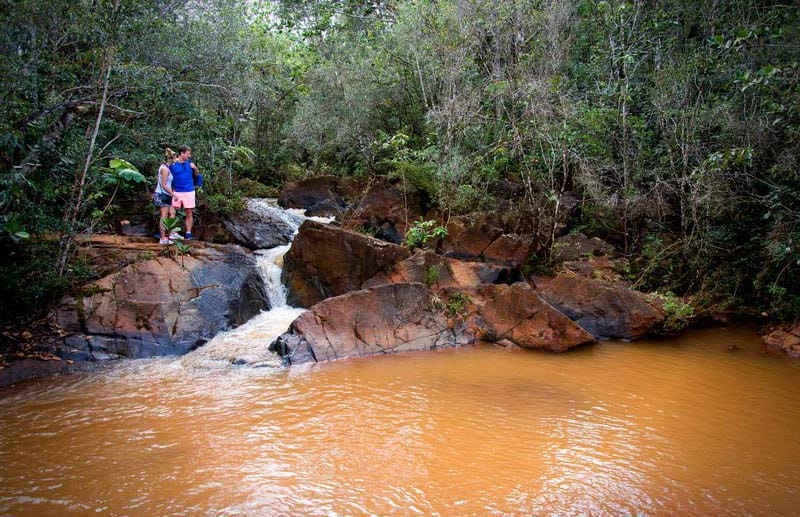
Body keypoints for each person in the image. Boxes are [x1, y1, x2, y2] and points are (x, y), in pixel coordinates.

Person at [169, 145, 201, 240]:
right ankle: (172, 232)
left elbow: (197, 175)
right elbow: (168, 178)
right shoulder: (173, 165)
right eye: (188, 154)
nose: (189, 156)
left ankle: (188, 233)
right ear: (182, 153)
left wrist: (195, 168)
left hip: (189, 191)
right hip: (176, 191)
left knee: (189, 212)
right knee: (172, 212)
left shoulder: (190, 164)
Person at [153, 147, 182, 245]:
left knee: (172, 212)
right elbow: (164, 184)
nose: (176, 161)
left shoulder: (167, 168)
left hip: (167, 195)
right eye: (175, 159)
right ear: (171, 159)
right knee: (164, 216)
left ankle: (172, 233)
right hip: (162, 195)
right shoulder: (165, 169)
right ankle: (163, 238)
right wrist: (173, 194)